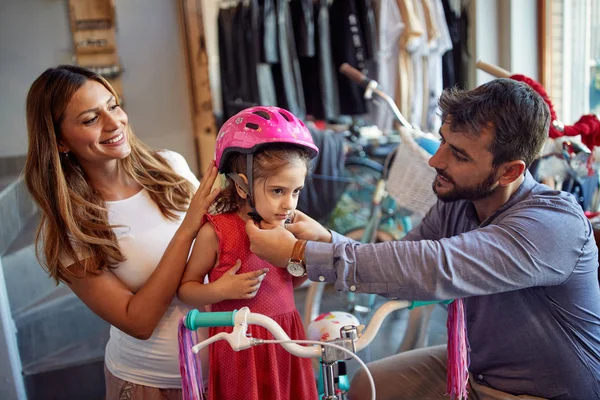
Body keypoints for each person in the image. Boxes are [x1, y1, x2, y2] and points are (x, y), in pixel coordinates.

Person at [245, 78, 600, 399]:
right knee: (368, 388)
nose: (435, 160)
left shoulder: (553, 223)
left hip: (545, 394)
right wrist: (326, 239)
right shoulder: (458, 204)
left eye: (458, 155)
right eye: (444, 141)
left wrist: (303, 254)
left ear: (510, 171)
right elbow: (402, 262)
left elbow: (435, 267)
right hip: (474, 369)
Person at [23, 65, 226, 399]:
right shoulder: (69, 229)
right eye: (90, 119)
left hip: (227, 371)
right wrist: (188, 227)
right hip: (151, 385)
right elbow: (138, 321)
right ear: (59, 141)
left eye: (113, 105)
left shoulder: (170, 167)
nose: (114, 122)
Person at [177, 106, 319, 400]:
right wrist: (219, 290)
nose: (289, 204)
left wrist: (300, 265)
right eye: (278, 191)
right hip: (240, 348)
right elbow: (186, 291)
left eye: (296, 191)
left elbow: (290, 285)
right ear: (242, 186)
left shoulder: (289, 229)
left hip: (286, 339)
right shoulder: (215, 233)